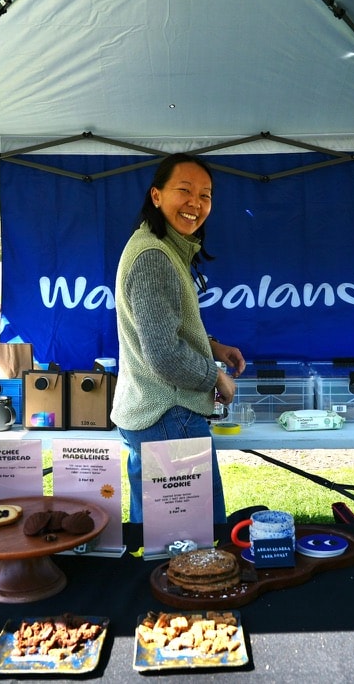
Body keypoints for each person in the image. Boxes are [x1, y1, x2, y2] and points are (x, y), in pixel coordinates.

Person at [111, 153, 246, 524]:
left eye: (205, 195)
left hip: (159, 416)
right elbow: (165, 354)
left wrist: (212, 345)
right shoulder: (154, 255)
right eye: (184, 191)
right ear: (156, 196)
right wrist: (215, 377)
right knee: (188, 542)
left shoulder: (163, 248)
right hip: (170, 417)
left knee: (163, 539)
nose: (196, 204)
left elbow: (163, 327)